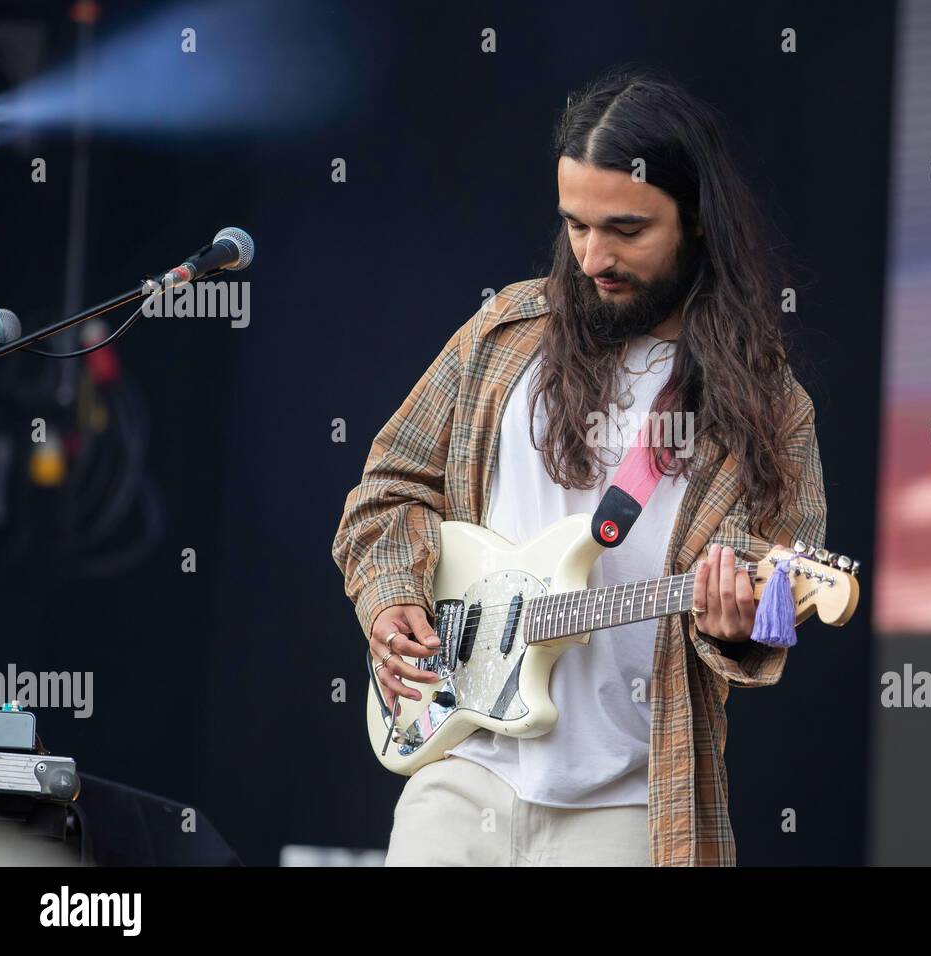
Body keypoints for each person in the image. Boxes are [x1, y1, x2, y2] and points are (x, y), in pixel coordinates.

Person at [332, 66, 827, 866]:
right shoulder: (503, 336)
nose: (594, 256)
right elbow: (388, 491)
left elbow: (780, 593)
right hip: (459, 768)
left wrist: (744, 624)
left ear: (697, 221)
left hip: (631, 802)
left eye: (626, 230)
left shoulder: (768, 404)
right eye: (576, 226)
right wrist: (391, 604)